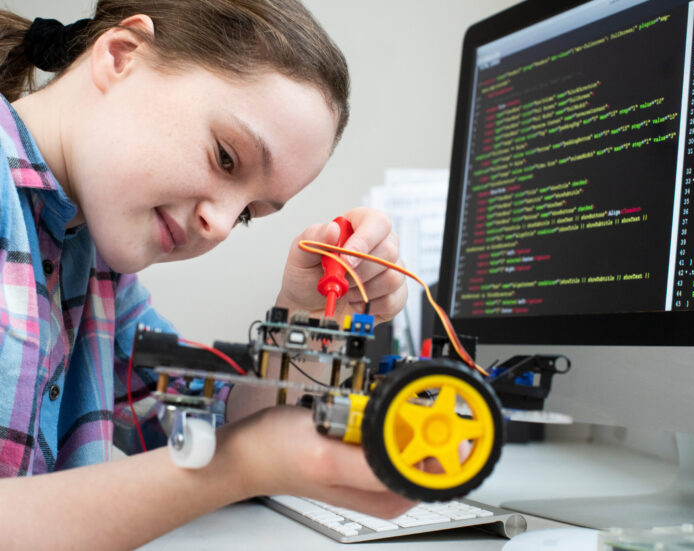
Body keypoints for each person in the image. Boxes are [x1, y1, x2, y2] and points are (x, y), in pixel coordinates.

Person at [0, 1, 412, 548]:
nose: (218, 225)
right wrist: (243, 464)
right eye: (225, 157)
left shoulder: (94, 262)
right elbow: (235, 449)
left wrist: (305, 318)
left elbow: (202, 419)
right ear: (122, 56)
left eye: (246, 213)